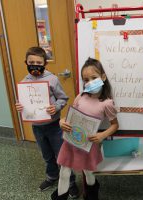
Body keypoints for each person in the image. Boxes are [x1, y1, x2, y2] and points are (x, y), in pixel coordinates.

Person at [51, 58, 119, 200]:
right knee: (64, 170)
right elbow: (70, 117)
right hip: (70, 142)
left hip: (88, 143)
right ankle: (60, 196)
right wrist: (62, 121)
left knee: (88, 172)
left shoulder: (106, 103)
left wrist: (101, 135)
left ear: (103, 77)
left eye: (94, 78)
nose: (90, 82)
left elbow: (115, 125)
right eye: (86, 79)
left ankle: (92, 194)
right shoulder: (80, 97)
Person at [15, 47, 79, 198]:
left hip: (54, 126)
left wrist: (56, 107)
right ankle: (52, 176)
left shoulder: (52, 79)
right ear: (26, 63)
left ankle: (71, 182)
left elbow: (63, 98)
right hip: (37, 127)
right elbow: (22, 101)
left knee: (61, 155)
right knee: (47, 155)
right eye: (31, 62)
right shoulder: (24, 82)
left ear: (45, 63)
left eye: (38, 62)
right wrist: (19, 105)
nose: (35, 65)